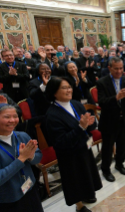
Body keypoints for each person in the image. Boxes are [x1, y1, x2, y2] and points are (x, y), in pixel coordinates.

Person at [45, 77, 102, 212]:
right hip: (69, 155)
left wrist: (90, 123)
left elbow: (87, 126)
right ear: (54, 92)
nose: (69, 90)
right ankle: (79, 206)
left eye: (69, 87)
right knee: (75, 181)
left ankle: (87, 195)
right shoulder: (52, 115)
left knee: (87, 174)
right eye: (64, 88)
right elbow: (61, 142)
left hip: (83, 148)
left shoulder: (76, 104)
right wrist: (81, 127)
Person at [0, 104, 43, 212]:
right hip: (8, 201)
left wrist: (31, 157)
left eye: (15, 116)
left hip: (30, 190)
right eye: (7, 117)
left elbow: (38, 156)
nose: (12, 120)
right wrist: (21, 159)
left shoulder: (22, 136)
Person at [97, 57, 125, 182]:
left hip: (124, 119)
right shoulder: (102, 82)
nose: (119, 71)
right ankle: (106, 170)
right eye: (116, 68)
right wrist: (116, 97)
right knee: (107, 148)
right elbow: (101, 102)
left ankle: (119, 164)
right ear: (110, 68)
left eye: (121, 68)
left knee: (122, 145)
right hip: (109, 121)